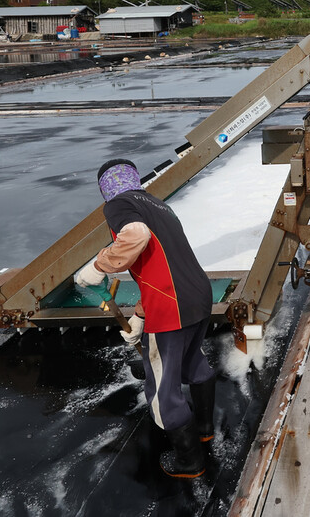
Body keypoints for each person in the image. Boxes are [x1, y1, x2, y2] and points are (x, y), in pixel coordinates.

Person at [75, 159, 215, 478]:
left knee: (162, 392)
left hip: (171, 306)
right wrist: (139, 315)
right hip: (197, 296)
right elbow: (160, 267)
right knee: (194, 362)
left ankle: (190, 461)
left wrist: (99, 266)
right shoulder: (157, 205)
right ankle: (205, 428)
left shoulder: (118, 204)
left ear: (105, 188)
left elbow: (136, 237)